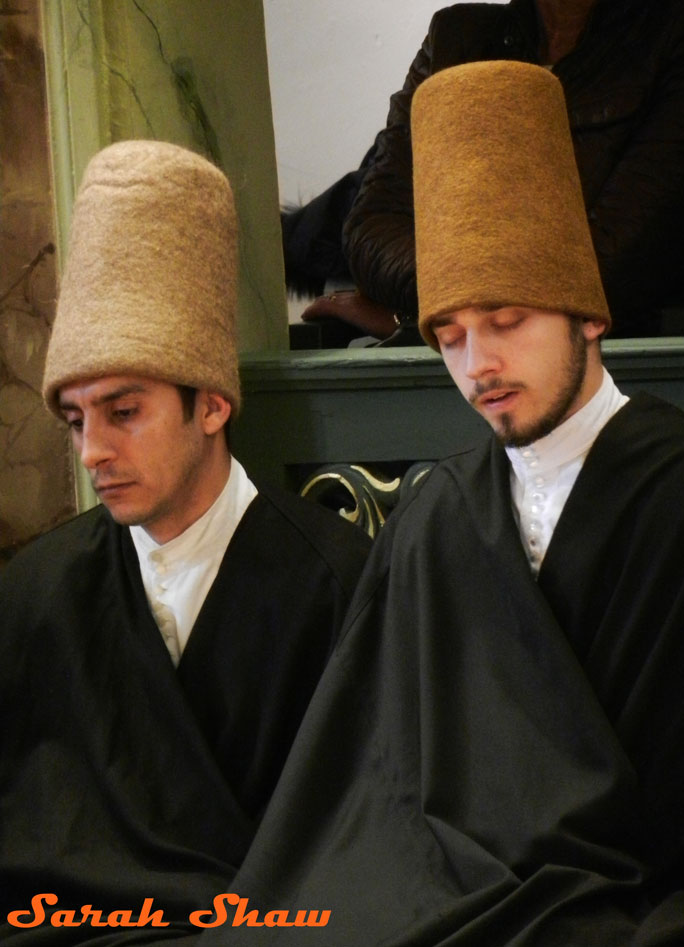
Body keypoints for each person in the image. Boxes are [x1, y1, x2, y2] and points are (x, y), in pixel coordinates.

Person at [210, 62, 684, 946]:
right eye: (449, 334)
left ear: (586, 313)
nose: (476, 364)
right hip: (448, 896)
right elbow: (375, 781)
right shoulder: (436, 515)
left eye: (506, 319)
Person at [0, 141, 371, 942]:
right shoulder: (33, 596)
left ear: (211, 405)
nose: (93, 449)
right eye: (75, 419)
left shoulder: (342, 585)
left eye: (123, 411)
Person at [338, 0, 684, 340]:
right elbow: (372, 226)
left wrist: (417, 316)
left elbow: (613, 262)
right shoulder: (456, 35)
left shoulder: (683, 32)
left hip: (615, 360)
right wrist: (449, 311)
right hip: (457, 353)